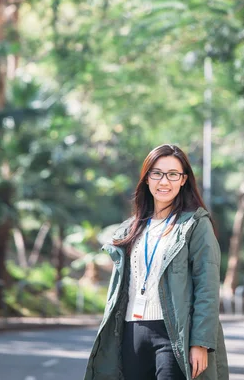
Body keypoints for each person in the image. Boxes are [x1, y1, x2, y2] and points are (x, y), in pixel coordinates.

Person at [83, 143, 229, 380]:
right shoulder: (130, 229)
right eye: (157, 173)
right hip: (132, 333)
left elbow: (207, 287)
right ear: (147, 178)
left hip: (173, 334)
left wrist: (200, 342)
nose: (164, 182)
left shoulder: (194, 225)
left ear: (183, 180)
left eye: (173, 175)